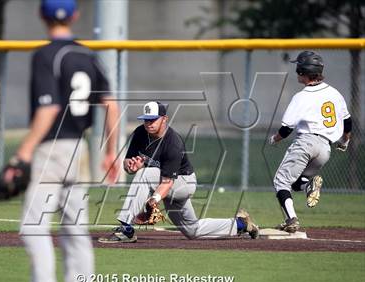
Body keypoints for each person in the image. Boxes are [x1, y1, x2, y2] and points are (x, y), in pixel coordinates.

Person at [14, 1, 119, 282]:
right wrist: (110, 153)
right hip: (80, 150)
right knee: (76, 232)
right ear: (75, 15)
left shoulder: (45, 55)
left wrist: (22, 153)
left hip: (51, 149)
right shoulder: (88, 55)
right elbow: (111, 106)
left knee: (33, 229)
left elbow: (49, 109)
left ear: (41, 15)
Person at [98, 101, 259, 243]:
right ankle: (241, 224)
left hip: (183, 182)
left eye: (153, 119)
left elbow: (168, 182)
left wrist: (153, 200)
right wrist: (131, 166)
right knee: (192, 231)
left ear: (164, 119)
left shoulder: (173, 142)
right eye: (146, 119)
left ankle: (126, 229)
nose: (149, 123)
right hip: (163, 182)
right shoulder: (140, 133)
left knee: (145, 174)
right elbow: (128, 163)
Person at [269, 51, 351, 233]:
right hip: (325, 149)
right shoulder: (334, 93)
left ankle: (291, 220)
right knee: (297, 182)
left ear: (301, 71)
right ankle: (309, 185)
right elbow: (347, 121)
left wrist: (275, 139)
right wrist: (345, 141)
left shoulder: (301, 97)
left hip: (306, 142)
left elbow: (286, 128)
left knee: (280, 181)